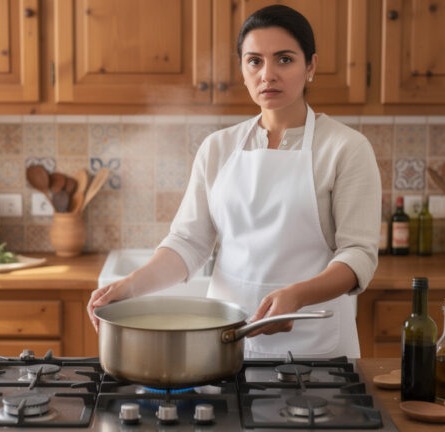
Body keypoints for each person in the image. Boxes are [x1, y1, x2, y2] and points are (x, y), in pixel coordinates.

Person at [87, 4, 381, 359]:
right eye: (254, 61)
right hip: (226, 346)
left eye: (284, 59)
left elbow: (358, 254)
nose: (268, 75)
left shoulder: (346, 148)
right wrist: (130, 286)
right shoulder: (218, 147)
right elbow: (188, 243)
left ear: (310, 66)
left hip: (318, 350)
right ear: (242, 69)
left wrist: (298, 296)